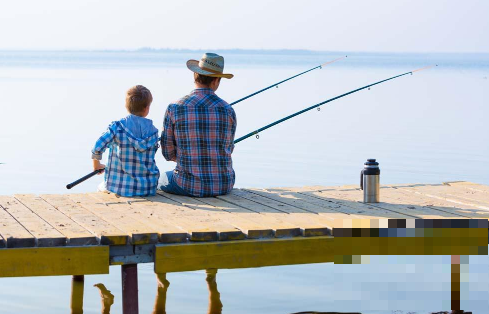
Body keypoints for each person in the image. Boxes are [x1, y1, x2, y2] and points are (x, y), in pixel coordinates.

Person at [159, 53, 236, 197]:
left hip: (187, 185)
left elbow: (167, 153)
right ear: (216, 81)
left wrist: (184, 156)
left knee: (162, 177)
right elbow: (229, 148)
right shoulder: (228, 110)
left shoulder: (175, 107)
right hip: (224, 184)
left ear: (195, 75)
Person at [92, 85, 160, 196]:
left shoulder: (117, 127)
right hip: (147, 187)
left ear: (126, 106)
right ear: (147, 108)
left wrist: (97, 165)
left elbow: (97, 148)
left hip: (118, 187)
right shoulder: (153, 132)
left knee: (100, 187)